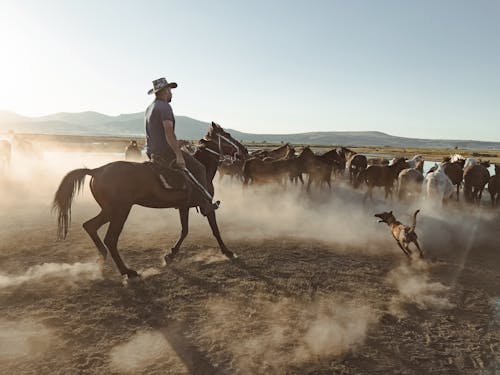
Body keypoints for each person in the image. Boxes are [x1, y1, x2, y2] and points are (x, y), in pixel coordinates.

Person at [145, 77, 218, 215]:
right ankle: (205, 204)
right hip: (165, 152)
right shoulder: (165, 107)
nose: (171, 93)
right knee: (200, 168)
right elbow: (168, 132)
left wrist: (178, 143)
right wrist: (179, 155)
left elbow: (156, 134)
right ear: (165, 91)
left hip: (152, 151)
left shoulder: (150, 108)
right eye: (170, 90)